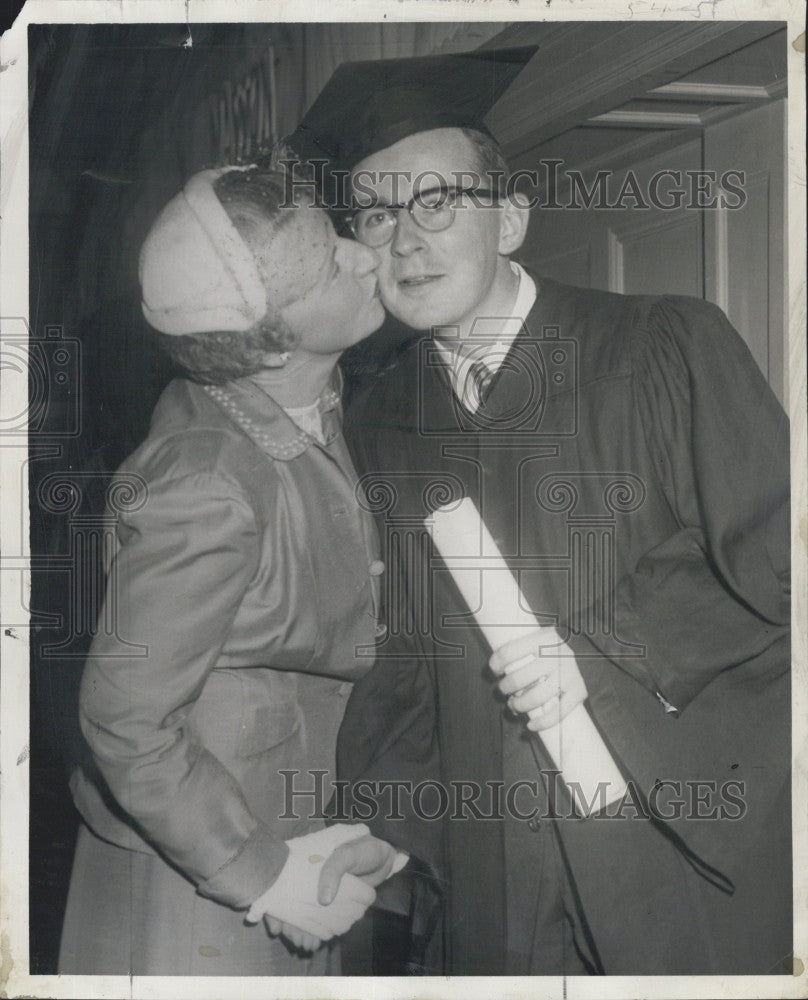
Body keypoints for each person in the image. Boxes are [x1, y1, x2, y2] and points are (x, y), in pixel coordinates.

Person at [286, 49, 792, 975]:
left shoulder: (663, 348)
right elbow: (405, 659)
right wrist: (387, 828)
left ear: (510, 218)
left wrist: (599, 652)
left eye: (435, 202)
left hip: (670, 838)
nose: (404, 239)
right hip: (491, 867)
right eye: (376, 214)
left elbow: (776, 558)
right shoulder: (382, 422)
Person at [58, 165, 405, 976]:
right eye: (328, 263)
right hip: (206, 881)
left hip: (278, 844)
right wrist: (265, 875)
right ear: (273, 337)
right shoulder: (210, 478)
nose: (365, 256)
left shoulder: (298, 410)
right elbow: (124, 719)